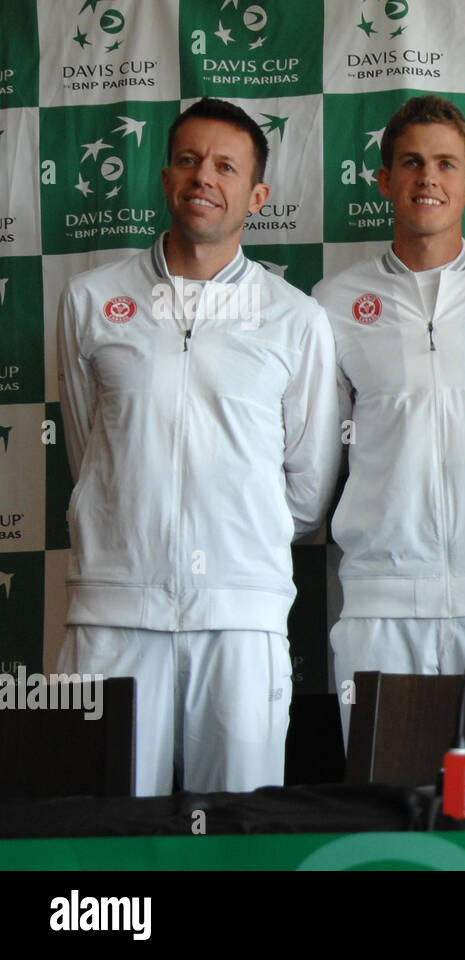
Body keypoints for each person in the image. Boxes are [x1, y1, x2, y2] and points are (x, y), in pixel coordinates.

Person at [56, 98, 340, 795]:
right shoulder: (90, 300)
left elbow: (307, 490)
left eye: (224, 166)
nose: (202, 178)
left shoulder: (296, 318)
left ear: (256, 193)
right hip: (114, 614)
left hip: (241, 618)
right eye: (188, 160)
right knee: (101, 833)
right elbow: (88, 448)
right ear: (164, 179)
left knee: (240, 837)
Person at [312, 96, 465, 747]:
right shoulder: (333, 302)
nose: (429, 178)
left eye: (446, 164)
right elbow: (319, 452)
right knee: (391, 817)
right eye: (412, 163)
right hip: (380, 601)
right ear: (384, 180)